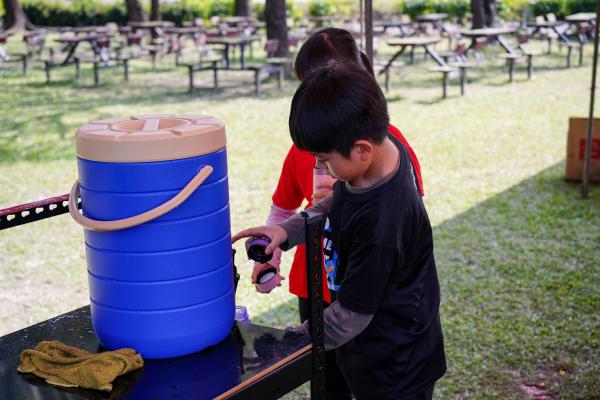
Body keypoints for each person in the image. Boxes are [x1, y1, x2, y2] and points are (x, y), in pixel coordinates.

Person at [234, 62, 446, 399]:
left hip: (396, 367)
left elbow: (350, 315)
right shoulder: (379, 152)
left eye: (324, 159)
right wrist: (287, 232)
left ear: (362, 149)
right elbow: (336, 201)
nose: (319, 168)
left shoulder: (383, 224)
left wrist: (289, 343)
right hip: (368, 349)